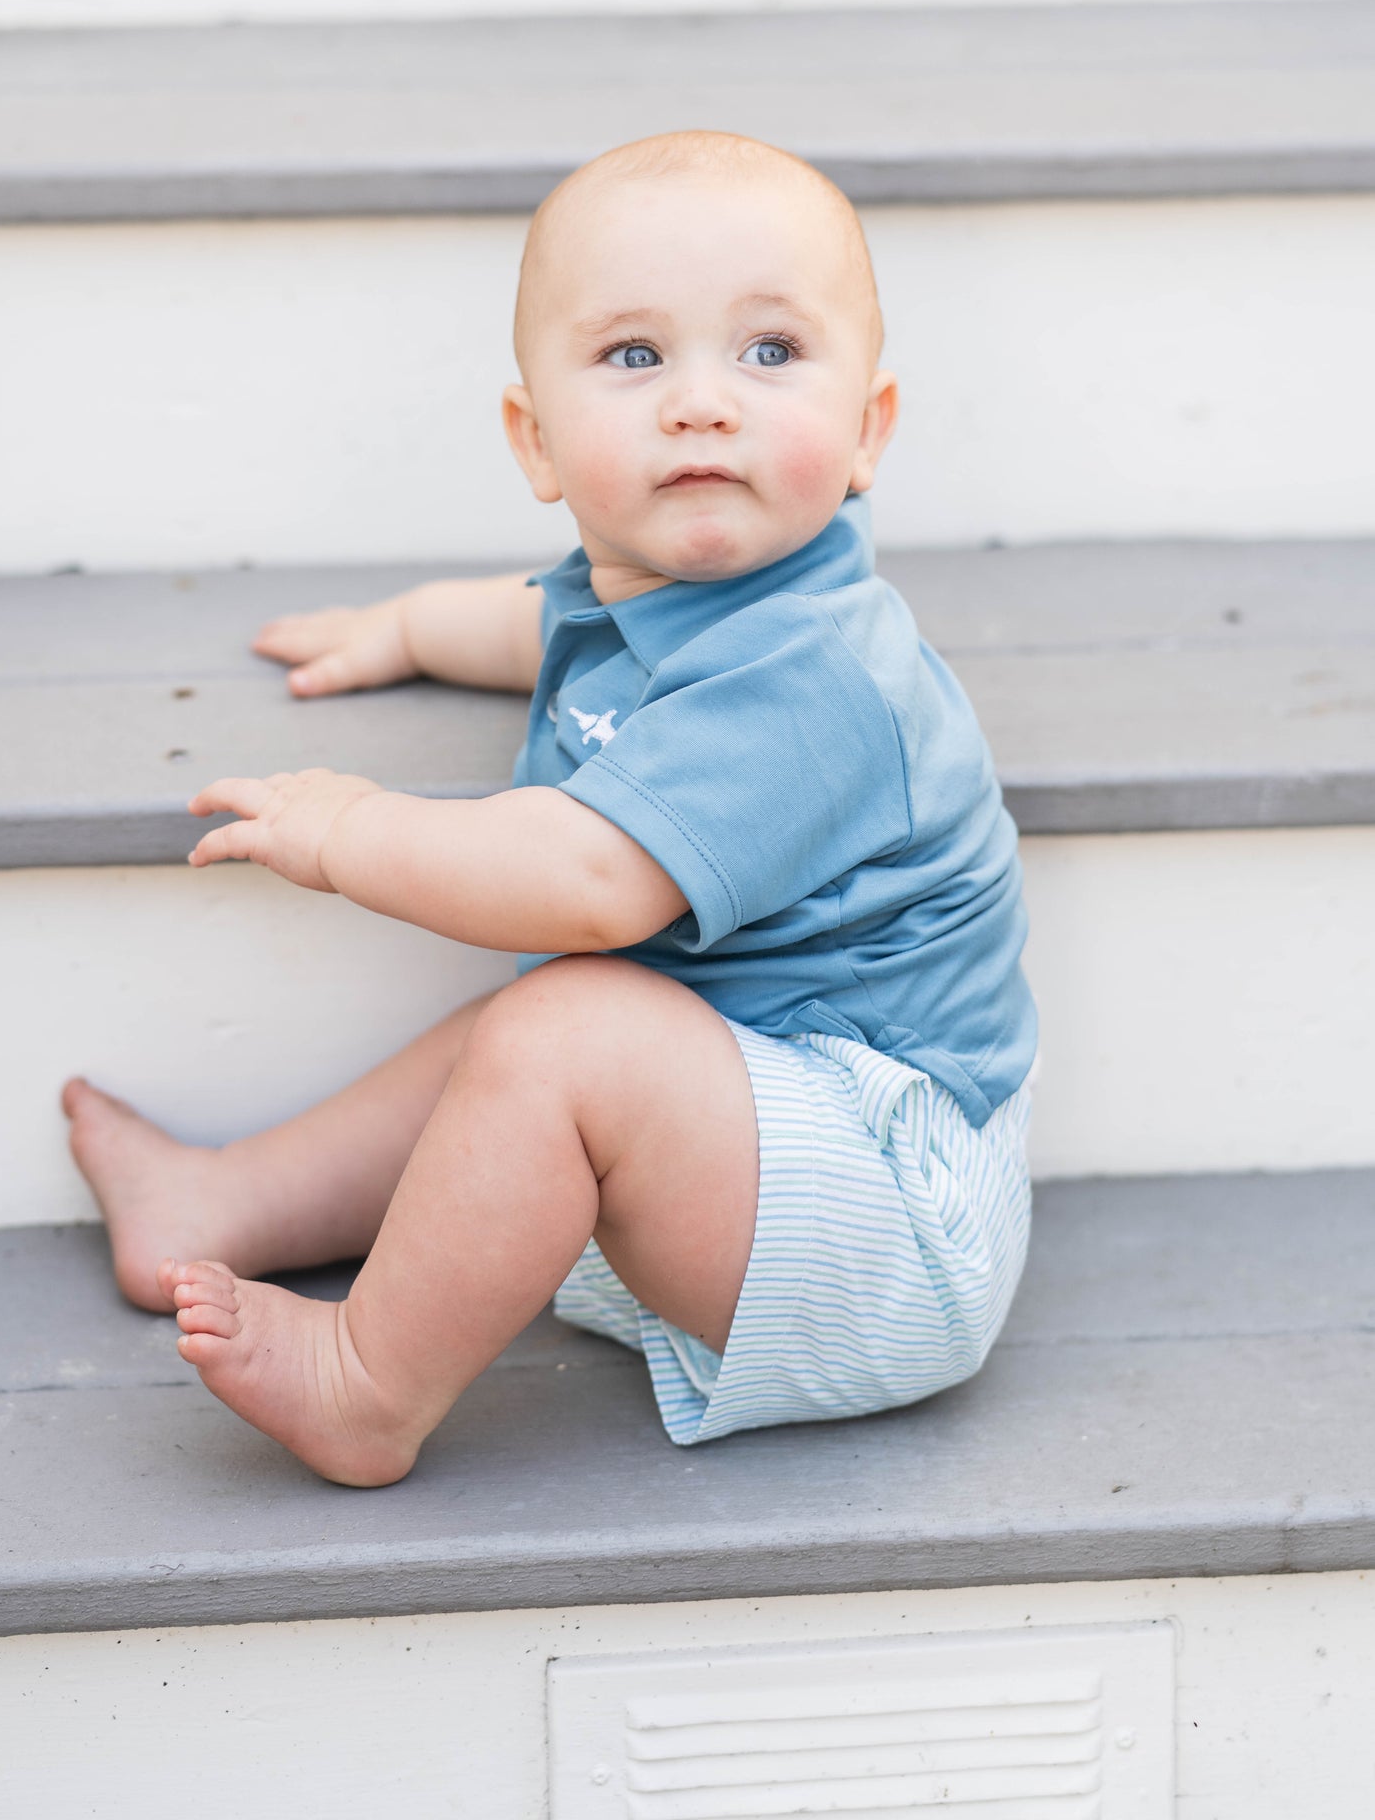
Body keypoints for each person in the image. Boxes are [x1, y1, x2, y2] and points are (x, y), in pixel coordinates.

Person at [61, 129, 1038, 1487]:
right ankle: (223, 1201)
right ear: (537, 442)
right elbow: (545, 626)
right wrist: (406, 627)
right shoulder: (656, 592)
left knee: (563, 1027)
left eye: (768, 352)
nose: (702, 404)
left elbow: (587, 883)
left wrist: (353, 831)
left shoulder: (815, 679)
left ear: (867, 430)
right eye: (635, 358)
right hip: (762, 1125)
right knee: (518, 1042)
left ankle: (368, 1386)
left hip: (886, 1222)